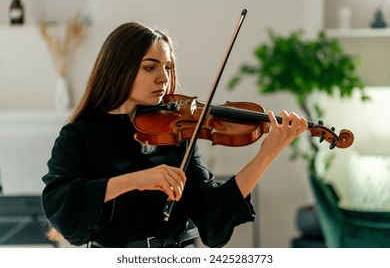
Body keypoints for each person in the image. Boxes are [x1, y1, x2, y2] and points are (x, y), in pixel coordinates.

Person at [41, 22, 307, 248]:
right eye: (150, 67)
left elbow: (211, 216)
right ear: (119, 67)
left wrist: (267, 153)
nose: (164, 79)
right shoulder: (80, 134)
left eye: (168, 68)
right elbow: (61, 204)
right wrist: (135, 180)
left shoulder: (175, 132)